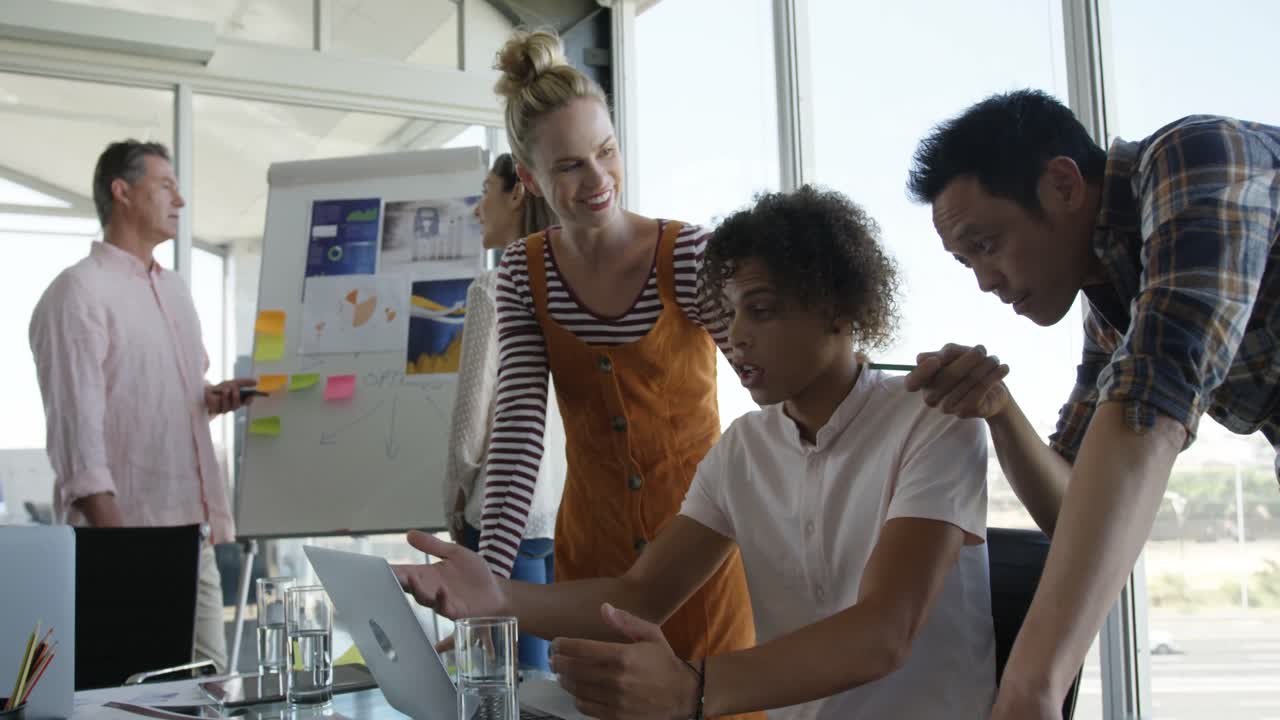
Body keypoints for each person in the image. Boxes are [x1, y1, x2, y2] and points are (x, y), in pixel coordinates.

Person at [396, 186, 997, 719]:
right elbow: (642, 596)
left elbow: (883, 633)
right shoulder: (745, 449)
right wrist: (499, 596)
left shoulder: (935, 419)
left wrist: (693, 688)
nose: (735, 334)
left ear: (838, 307)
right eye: (729, 311)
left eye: (759, 310)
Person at [903, 89, 1280, 719]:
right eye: (965, 261)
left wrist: (1031, 686)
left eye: (987, 244)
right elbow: (1073, 508)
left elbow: (1155, 397)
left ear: (1063, 183)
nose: (984, 282)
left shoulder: (1194, 158)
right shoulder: (1112, 304)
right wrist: (998, 408)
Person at [465, 27, 757, 679]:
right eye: (570, 165)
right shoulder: (521, 273)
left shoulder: (686, 255)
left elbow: (762, 376)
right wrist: (484, 590)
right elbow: (516, 433)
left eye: (606, 152)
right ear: (532, 181)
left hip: (698, 559)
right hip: (587, 565)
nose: (598, 178)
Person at [29, 140, 256, 674]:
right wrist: (124, 555)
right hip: (128, 541)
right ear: (121, 192)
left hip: (191, 537)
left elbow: (159, 397)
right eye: (166, 187)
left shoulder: (175, 291)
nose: (180, 201)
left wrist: (210, 400)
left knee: (209, 691)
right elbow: (78, 444)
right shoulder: (78, 294)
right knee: (131, 698)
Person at [443, 152, 565, 670]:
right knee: (549, 685)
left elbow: (471, 427)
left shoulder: (493, 289)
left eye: (486, 191)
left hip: (497, 519)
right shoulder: (571, 291)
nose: (478, 209)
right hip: (558, 519)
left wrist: (454, 500)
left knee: (499, 685)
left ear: (518, 192)